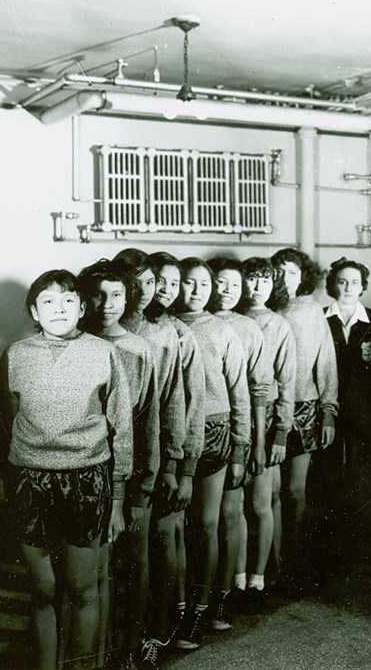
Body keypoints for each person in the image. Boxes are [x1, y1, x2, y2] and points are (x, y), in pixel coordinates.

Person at [0, 269, 132, 670]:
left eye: (68, 300)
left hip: (88, 480)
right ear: (34, 312)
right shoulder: (15, 355)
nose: (59, 309)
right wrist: (11, 484)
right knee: (43, 589)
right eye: (48, 302)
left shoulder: (104, 353)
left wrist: (118, 498)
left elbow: (120, 429)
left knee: (83, 589)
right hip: (30, 481)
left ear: (83, 307)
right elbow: (3, 424)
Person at [113, 249, 198, 664]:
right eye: (138, 284)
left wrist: (175, 464)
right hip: (107, 458)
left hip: (152, 457)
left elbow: (173, 403)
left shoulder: (166, 332)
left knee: (145, 550)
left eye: (151, 282)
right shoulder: (101, 329)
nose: (146, 292)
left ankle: (151, 637)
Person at [77, 260, 159, 668]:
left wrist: (143, 480)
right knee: (96, 568)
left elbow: (148, 420)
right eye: (98, 294)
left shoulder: (139, 348)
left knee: (134, 560)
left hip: (132, 469)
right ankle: (99, 649)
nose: (106, 304)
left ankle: (131, 647)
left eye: (116, 295)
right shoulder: (75, 344)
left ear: (129, 300)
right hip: (88, 471)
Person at [173, 257, 251, 651]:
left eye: (205, 283)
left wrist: (239, 448)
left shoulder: (223, 330)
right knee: (174, 531)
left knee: (205, 524)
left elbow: (240, 393)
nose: (198, 290)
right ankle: (175, 610)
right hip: (172, 435)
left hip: (214, 432)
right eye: (189, 283)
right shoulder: (167, 327)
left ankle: (204, 609)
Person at [207, 257, 272, 629]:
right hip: (203, 436)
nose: (227, 291)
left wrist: (256, 442)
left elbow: (260, 390)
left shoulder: (248, 328)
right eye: (220, 282)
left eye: (235, 284)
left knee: (232, 513)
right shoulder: (192, 324)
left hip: (238, 431)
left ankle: (227, 595)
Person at [269, 248, 339, 590]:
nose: (285, 279)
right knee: (268, 492)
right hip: (268, 411)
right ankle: (268, 565)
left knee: (295, 490)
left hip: (305, 407)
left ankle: (291, 560)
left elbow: (325, 363)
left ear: (304, 277)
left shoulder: (312, 312)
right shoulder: (263, 309)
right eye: (279, 272)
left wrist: (328, 412)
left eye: (293, 273)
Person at [239, 256, 297, 608]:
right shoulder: (231, 319)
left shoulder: (278, 325)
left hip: (268, 418)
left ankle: (262, 579)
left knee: (263, 500)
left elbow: (286, 383)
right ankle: (241, 576)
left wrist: (280, 435)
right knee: (239, 506)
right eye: (251, 279)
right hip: (237, 417)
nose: (256, 287)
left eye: (264, 280)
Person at [322, 257, 371, 557]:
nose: (348, 287)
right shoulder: (320, 318)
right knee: (329, 474)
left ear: (363, 286)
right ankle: (332, 548)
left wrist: (364, 365)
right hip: (329, 411)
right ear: (332, 285)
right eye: (342, 281)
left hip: (364, 409)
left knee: (365, 475)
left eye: (354, 282)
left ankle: (364, 546)